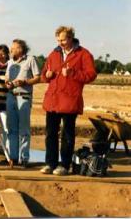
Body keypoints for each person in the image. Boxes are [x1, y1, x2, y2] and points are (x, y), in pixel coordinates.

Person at [40, 26, 97, 176]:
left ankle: (64, 165)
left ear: (71, 37)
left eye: (63, 40)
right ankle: (50, 163)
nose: (61, 43)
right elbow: (43, 76)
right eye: (58, 40)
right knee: (50, 133)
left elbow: (91, 75)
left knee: (67, 135)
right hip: (52, 100)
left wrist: (73, 73)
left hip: (70, 101)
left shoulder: (83, 54)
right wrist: (47, 74)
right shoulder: (53, 54)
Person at [5, 39, 40, 168]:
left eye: (13, 48)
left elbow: (38, 77)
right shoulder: (10, 62)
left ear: (20, 49)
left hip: (24, 97)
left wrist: (24, 82)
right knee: (11, 129)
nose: (11, 50)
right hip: (10, 96)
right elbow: (7, 78)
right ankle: (13, 158)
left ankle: (24, 158)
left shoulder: (31, 60)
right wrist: (7, 83)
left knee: (24, 129)